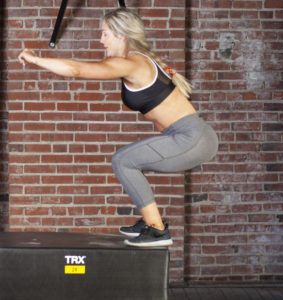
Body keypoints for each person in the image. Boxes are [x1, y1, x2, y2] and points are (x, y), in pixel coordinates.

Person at [18, 7, 218, 247]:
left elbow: (76, 70)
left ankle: (157, 229)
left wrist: (35, 59)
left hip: (191, 138)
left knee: (123, 160)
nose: (101, 40)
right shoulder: (139, 61)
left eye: (104, 34)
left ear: (121, 35)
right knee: (130, 161)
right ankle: (150, 221)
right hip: (191, 137)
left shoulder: (134, 63)